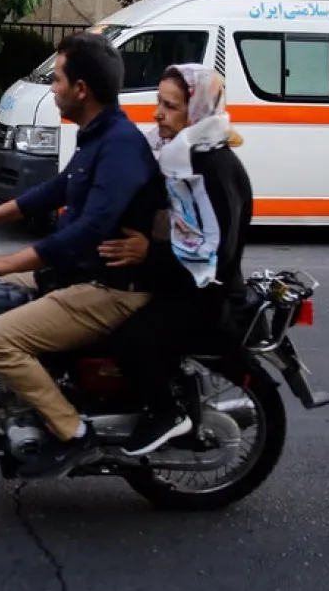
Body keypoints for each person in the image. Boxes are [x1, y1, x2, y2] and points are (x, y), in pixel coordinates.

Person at [0, 31, 163, 479]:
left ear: (81, 89)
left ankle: (74, 433)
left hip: (108, 289)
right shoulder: (98, 136)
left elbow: (88, 232)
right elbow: (58, 188)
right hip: (79, 275)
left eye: (57, 80)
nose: (52, 89)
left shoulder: (120, 146)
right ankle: (29, 397)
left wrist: (3, 261)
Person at [96, 63, 255, 457]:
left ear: (196, 111)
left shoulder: (211, 167)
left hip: (205, 297)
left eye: (170, 106)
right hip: (177, 282)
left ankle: (165, 412)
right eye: (159, 103)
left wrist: (148, 253)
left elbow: (215, 254)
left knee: (128, 339)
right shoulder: (180, 155)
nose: (157, 114)